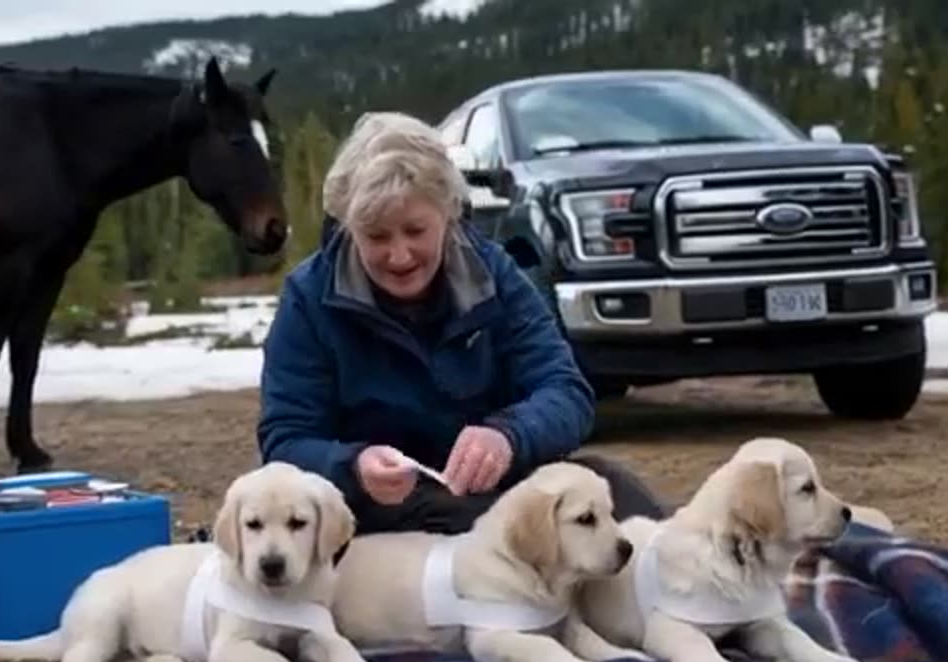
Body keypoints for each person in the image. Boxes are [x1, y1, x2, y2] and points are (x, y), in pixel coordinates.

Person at [256, 111, 664, 535]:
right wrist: (353, 465)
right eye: (376, 236)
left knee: (612, 490)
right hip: (374, 516)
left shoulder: (494, 277)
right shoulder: (309, 298)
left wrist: (509, 437)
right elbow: (285, 439)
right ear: (348, 227)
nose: (399, 256)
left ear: (448, 214)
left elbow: (566, 391)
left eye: (415, 230)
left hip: (493, 494)